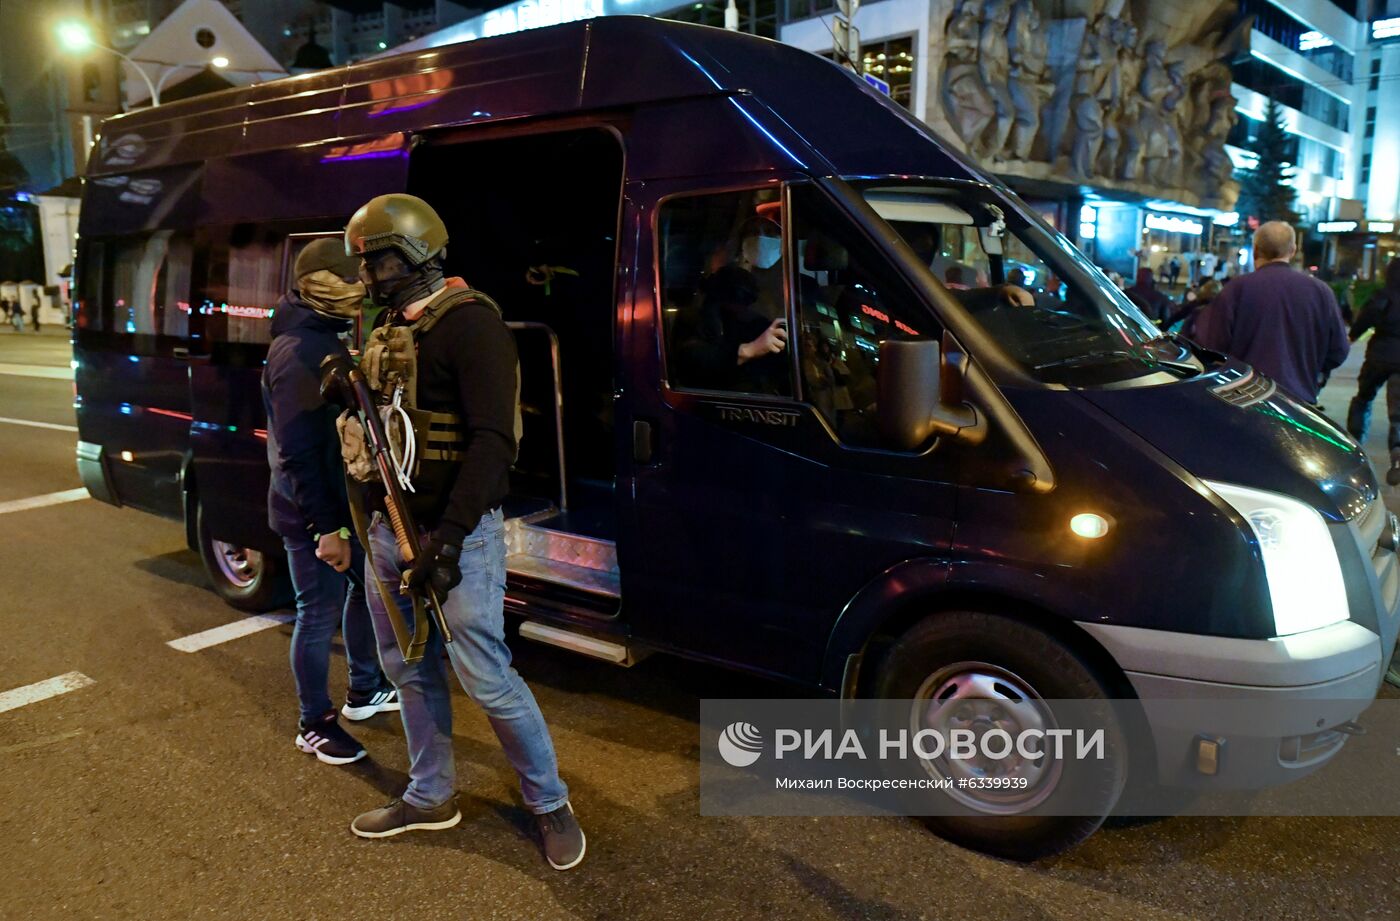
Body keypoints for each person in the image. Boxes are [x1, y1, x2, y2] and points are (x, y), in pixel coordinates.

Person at [343, 193, 585, 871]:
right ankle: (430, 794)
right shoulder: (389, 325)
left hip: (458, 537)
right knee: (407, 668)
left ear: (416, 252)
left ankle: (549, 802)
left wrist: (445, 542)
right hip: (389, 532)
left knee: (485, 675)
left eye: (380, 260)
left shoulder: (471, 325)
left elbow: (492, 442)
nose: (370, 276)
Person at [262, 238, 397, 766]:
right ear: (318, 283)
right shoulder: (299, 351)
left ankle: (364, 690)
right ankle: (313, 723)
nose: (361, 286)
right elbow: (296, 451)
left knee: (363, 593)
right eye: (349, 279)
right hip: (309, 509)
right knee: (316, 612)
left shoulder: (322, 334)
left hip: (339, 505)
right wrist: (326, 529)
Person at [1194, 221, 1349, 405]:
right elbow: (1338, 350)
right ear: (1292, 250)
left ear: (1255, 250)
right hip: (1299, 402)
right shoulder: (1321, 292)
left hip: (1242, 399)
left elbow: (1211, 346)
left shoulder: (1236, 289)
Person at [676, 264, 789, 393]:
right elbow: (693, 361)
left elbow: (777, 365)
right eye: (743, 300)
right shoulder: (693, 319)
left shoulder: (753, 324)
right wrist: (749, 350)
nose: (747, 307)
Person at [1346, 259, 1400, 484]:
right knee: (1397, 412)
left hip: (1379, 356)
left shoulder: (1383, 296)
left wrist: (1351, 337)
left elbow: (1364, 320)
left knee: (1363, 399)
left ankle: (1354, 448)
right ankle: (1397, 455)